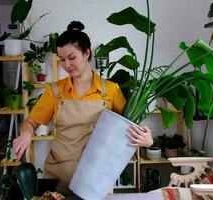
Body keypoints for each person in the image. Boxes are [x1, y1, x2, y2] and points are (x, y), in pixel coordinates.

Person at [13, 21, 153, 196]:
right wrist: (26, 133)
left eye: (72, 58)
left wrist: (147, 141)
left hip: (97, 178)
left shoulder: (110, 90)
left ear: (86, 53)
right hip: (59, 174)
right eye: (62, 59)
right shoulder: (55, 91)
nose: (67, 64)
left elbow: (130, 129)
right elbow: (31, 122)